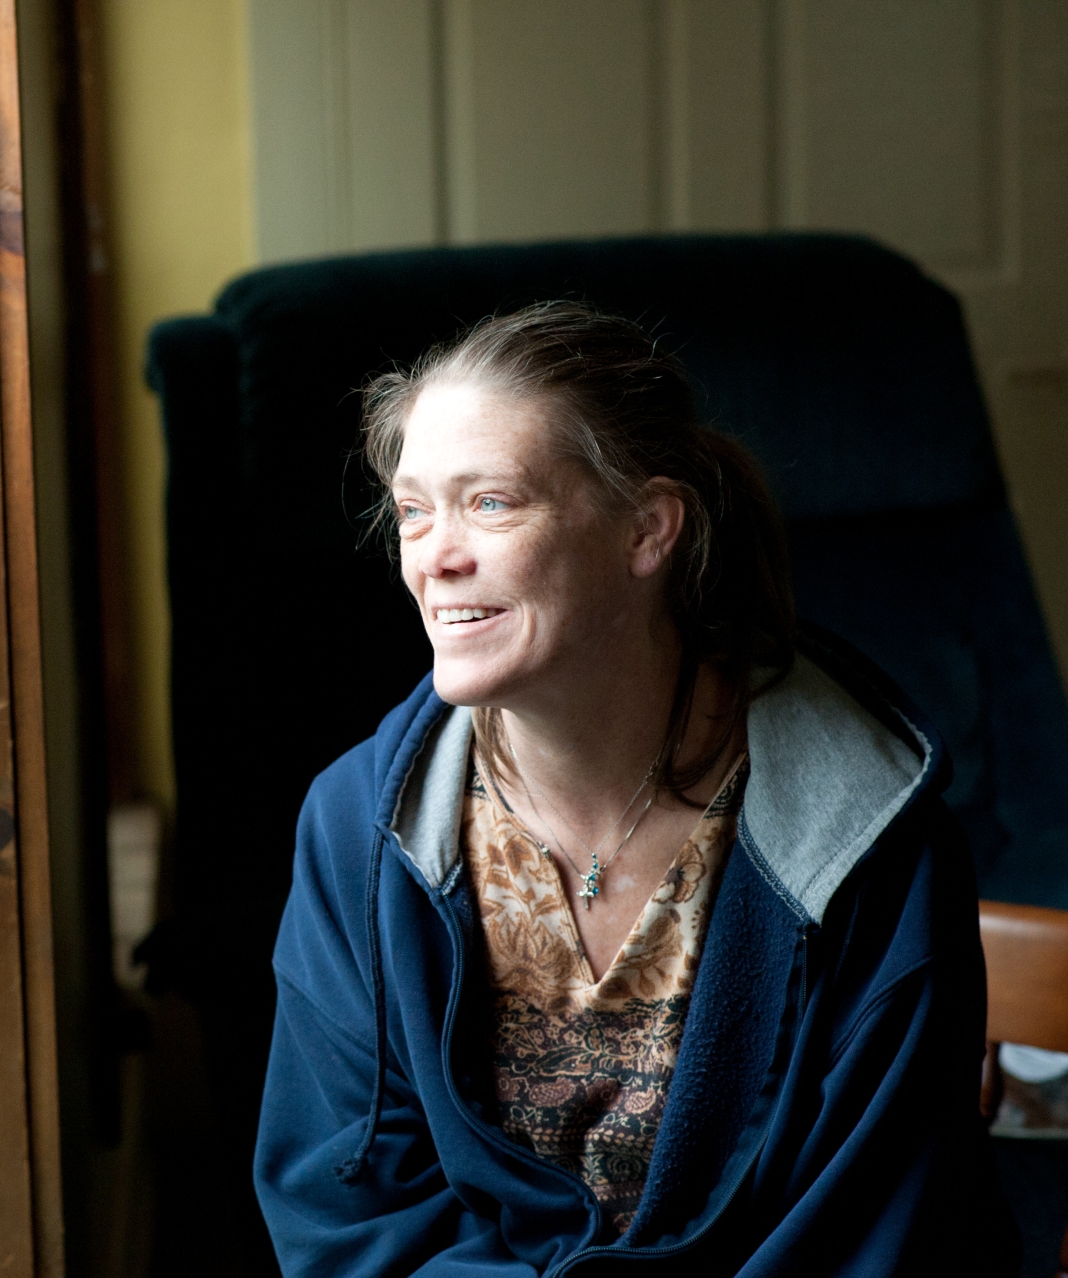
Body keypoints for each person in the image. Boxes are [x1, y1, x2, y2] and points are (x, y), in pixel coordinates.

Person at [253, 303, 1016, 1275]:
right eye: (413, 508)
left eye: (490, 502)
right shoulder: (358, 833)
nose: (433, 556)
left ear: (647, 529)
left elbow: (876, 1237)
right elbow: (347, 1219)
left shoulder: (871, 839)